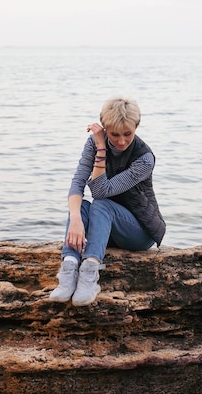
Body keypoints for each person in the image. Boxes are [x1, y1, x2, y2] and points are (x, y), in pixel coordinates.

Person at [49, 96, 166, 306]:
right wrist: (75, 219)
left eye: (127, 134)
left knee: (101, 204)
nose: (121, 141)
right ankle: (69, 268)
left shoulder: (144, 158)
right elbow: (77, 184)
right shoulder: (91, 143)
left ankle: (89, 274)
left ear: (136, 127)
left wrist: (102, 150)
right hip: (108, 227)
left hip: (139, 231)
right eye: (114, 135)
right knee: (82, 206)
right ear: (105, 128)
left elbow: (102, 192)